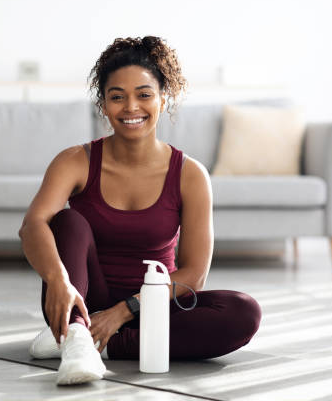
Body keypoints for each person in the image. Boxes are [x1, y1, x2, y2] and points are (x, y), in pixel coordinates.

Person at [18, 36, 262, 386]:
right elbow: (32, 225)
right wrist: (59, 281)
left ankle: (88, 343)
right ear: (103, 104)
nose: (131, 107)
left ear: (164, 98)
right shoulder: (75, 161)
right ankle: (76, 329)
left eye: (144, 94)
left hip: (154, 306)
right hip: (83, 298)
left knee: (243, 311)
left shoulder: (190, 174)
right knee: (67, 222)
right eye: (117, 96)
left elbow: (193, 274)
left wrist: (123, 312)